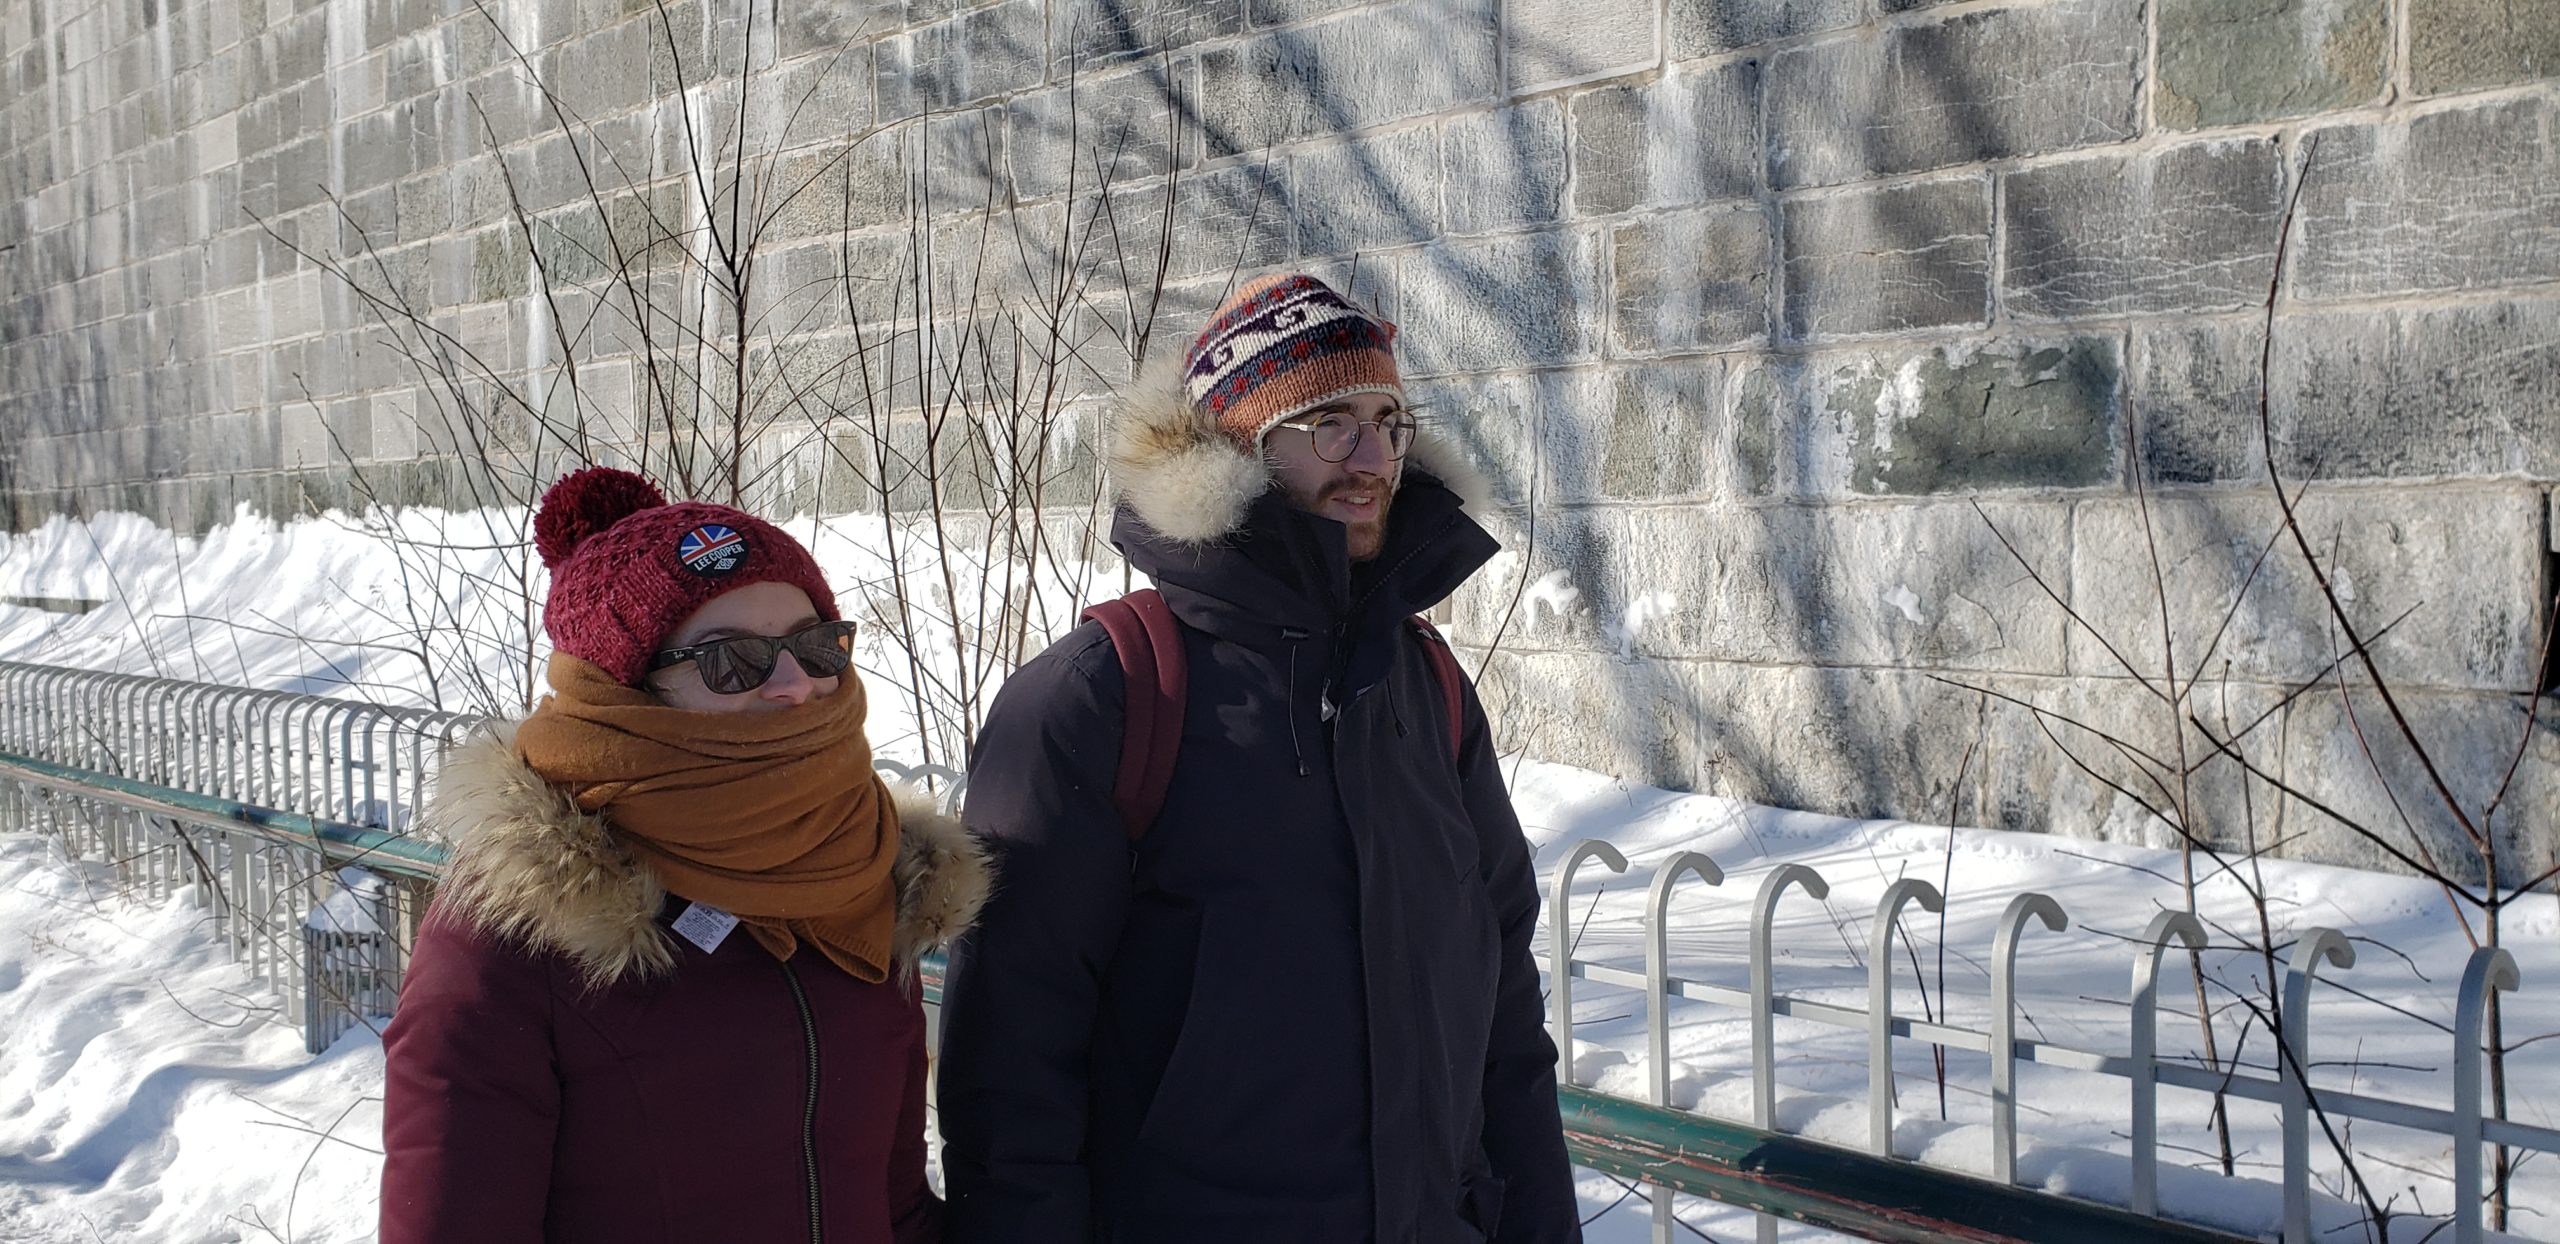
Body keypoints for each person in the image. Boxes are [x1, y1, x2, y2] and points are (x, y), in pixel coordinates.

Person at [938, 273, 1581, 1242]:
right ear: (1237, 443)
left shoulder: (1429, 691)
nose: (1371, 457)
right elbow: (1010, 1085)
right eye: (1328, 422)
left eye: (1390, 421)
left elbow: (1505, 1028)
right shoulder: (1102, 697)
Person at [380, 466, 989, 1244]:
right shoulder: (515, 933)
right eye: (732, 660)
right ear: (623, 692)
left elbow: (894, 1204)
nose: (796, 685)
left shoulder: (866, 875)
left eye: (816, 646)